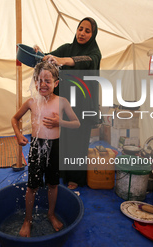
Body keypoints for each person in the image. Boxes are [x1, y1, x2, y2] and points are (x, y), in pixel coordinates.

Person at [11, 61, 80, 237]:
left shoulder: (62, 102)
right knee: (31, 186)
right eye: (39, 80)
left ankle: (50, 214)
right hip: (36, 146)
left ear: (56, 83)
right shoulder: (32, 102)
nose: (43, 85)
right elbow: (14, 119)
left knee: (52, 184)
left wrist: (60, 122)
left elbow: (76, 123)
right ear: (35, 82)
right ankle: (28, 220)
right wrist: (19, 135)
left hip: (54, 147)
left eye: (47, 81)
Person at [34, 17, 101, 189]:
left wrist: (62, 60)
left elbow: (84, 60)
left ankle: (76, 177)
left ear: (93, 35)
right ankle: (62, 172)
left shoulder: (94, 53)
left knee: (78, 140)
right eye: (80, 29)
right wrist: (39, 53)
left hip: (83, 104)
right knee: (61, 139)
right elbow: (47, 59)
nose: (82, 33)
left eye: (87, 31)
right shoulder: (67, 48)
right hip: (64, 102)